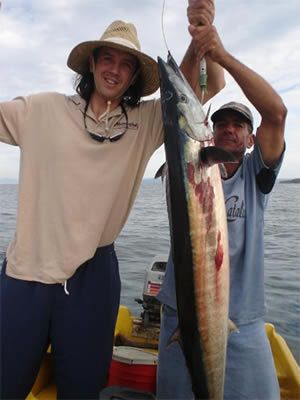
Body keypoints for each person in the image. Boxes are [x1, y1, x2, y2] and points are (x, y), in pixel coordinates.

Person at [0, 2, 225, 399]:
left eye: (125, 63)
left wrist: (200, 33)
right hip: (26, 273)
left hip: (94, 279)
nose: (114, 69)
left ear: (134, 75)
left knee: (84, 391)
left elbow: (200, 89)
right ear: (91, 64)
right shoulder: (41, 108)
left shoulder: (144, 122)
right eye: (107, 58)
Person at [156, 17, 287, 400]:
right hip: (180, 315)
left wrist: (220, 52)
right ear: (209, 133)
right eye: (222, 123)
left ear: (250, 139)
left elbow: (276, 113)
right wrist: (200, 36)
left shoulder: (256, 175)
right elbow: (188, 100)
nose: (230, 129)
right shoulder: (188, 162)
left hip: (243, 323)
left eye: (239, 125)